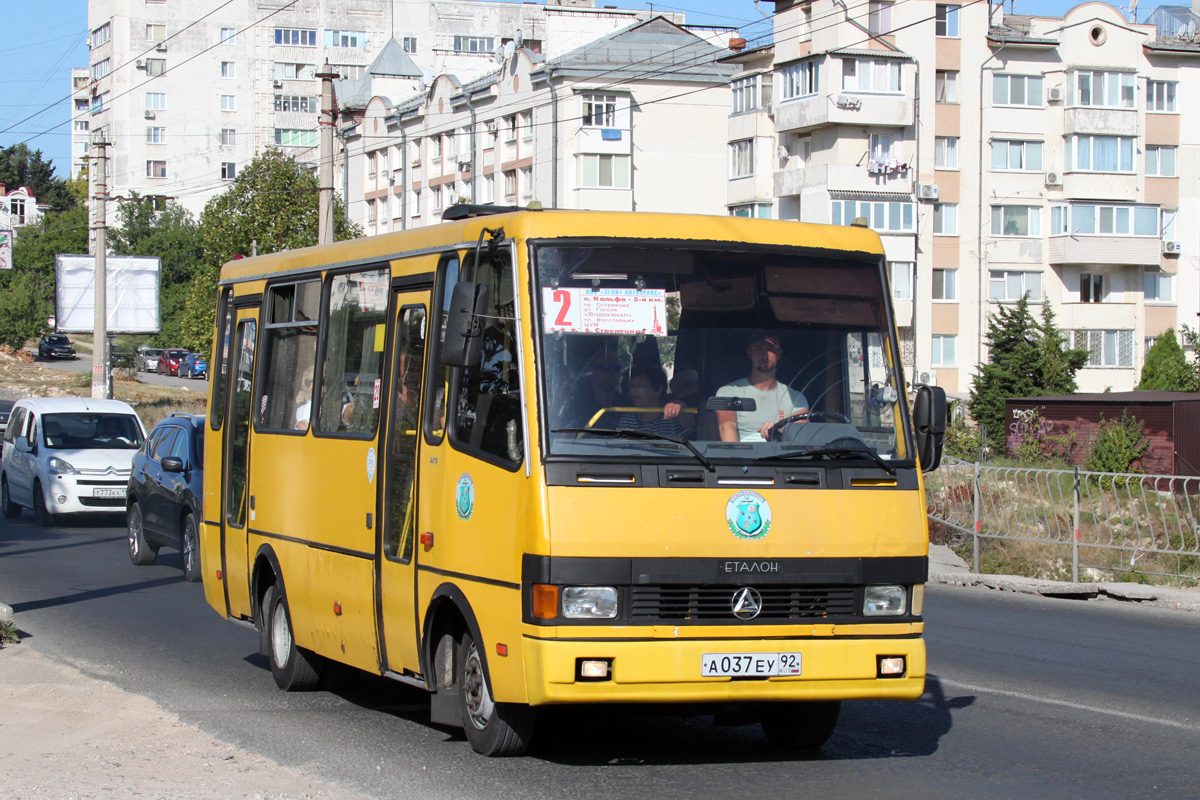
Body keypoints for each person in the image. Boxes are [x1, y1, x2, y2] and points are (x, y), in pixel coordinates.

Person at [716, 333, 808, 442]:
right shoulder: (729, 392)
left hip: (783, 457)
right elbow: (726, 429)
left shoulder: (796, 398)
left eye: (770, 349)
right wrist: (736, 457)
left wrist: (779, 431)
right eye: (758, 349)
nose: (765, 355)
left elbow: (802, 435)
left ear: (779, 353)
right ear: (749, 353)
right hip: (742, 456)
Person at [616, 365, 684, 437]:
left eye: (640, 386)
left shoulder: (673, 417)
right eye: (632, 386)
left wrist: (681, 406)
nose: (633, 391)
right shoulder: (627, 420)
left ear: (658, 390)